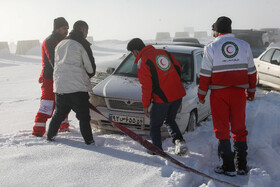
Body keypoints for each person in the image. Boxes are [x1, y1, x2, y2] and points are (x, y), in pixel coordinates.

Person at [197, 16, 257, 176]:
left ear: (216, 30)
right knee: (239, 128)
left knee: (222, 129)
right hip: (239, 93)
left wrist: (201, 95)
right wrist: (251, 92)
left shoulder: (210, 47)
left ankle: (228, 166)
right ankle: (242, 165)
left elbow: (204, 75)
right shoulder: (244, 46)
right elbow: (252, 72)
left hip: (219, 94)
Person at [127, 38, 188, 155]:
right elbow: (178, 69)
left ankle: (156, 149)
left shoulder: (143, 60)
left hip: (162, 98)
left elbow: (146, 86)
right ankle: (180, 142)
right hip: (177, 93)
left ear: (135, 51)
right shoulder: (164, 53)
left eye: (132, 53)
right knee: (170, 120)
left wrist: (145, 105)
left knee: (155, 125)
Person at [47, 20, 96, 145]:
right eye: (87, 31)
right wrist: (88, 74)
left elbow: (55, 64)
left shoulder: (60, 44)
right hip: (77, 89)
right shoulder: (82, 44)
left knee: (58, 115)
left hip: (60, 88)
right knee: (84, 117)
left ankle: (50, 137)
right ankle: (89, 142)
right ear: (83, 30)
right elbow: (90, 68)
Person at [32, 17, 70, 137]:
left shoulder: (63, 41)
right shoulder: (50, 41)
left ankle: (63, 127)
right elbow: (53, 60)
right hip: (49, 78)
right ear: (57, 28)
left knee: (63, 103)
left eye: (67, 28)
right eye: (64, 28)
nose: (67, 31)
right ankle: (38, 131)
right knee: (47, 104)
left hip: (60, 78)